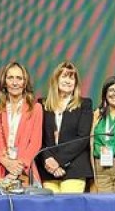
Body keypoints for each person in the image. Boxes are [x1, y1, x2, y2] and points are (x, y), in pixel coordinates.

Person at [0, 62, 43, 191]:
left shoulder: (35, 109)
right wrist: (5, 161)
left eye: (19, 78)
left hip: (23, 172)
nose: (15, 82)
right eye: (10, 78)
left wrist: (16, 168)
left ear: (25, 82)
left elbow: (35, 142)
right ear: (4, 82)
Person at [36, 61, 93, 193]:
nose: (68, 81)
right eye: (64, 76)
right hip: (48, 169)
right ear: (56, 79)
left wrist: (58, 161)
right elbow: (39, 138)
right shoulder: (42, 104)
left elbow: (82, 138)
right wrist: (48, 161)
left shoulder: (84, 104)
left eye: (71, 78)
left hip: (74, 168)